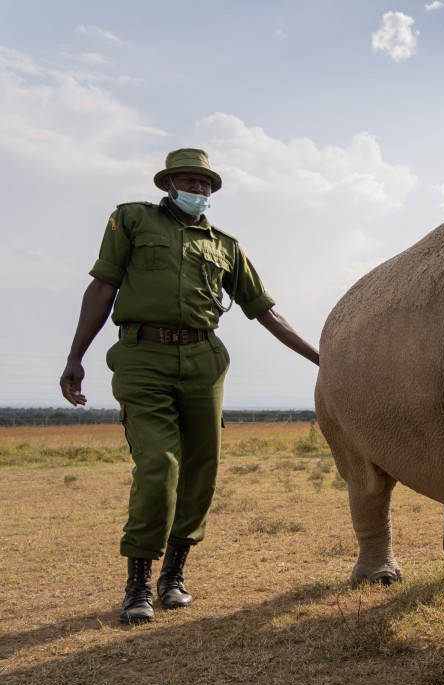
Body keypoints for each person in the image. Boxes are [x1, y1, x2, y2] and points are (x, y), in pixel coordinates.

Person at [60, 148, 320, 624]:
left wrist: (322, 358)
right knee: (159, 464)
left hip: (205, 359)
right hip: (143, 355)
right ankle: (138, 582)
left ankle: (173, 576)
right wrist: (75, 357)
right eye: (190, 181)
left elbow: (263, 310)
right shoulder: (132, 220)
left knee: (202, 469)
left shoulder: (225, 244)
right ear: (168, 184)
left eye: (206, 185)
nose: (199, 190)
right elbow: (102, 287)